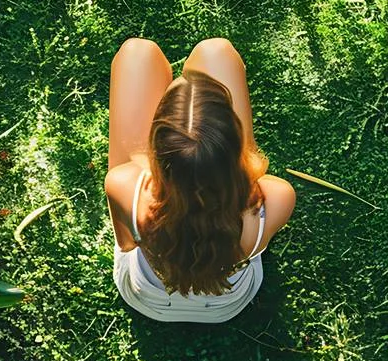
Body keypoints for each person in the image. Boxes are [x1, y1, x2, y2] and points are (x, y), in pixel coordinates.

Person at [106, 37, 296, 322]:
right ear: (236, 145)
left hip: (148, 297)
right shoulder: (276, 199)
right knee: (216, 52)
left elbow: (126, 244)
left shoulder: (123, 186)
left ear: (154, 149)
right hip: (226, 304)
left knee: (136, 53)